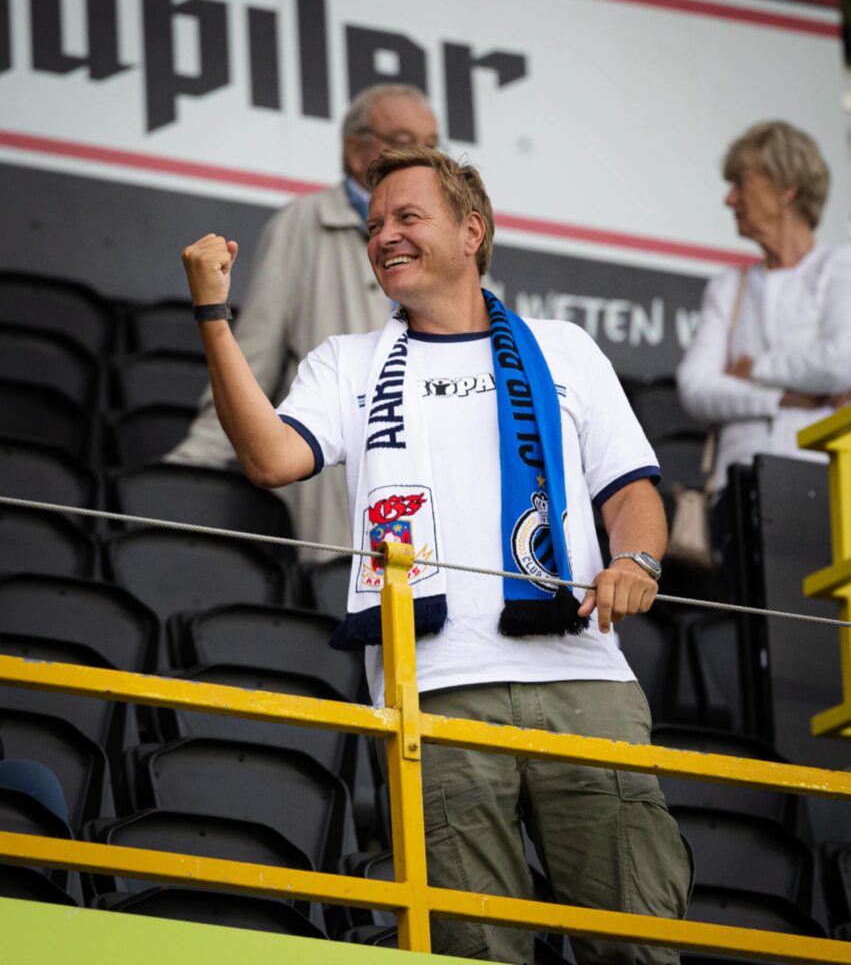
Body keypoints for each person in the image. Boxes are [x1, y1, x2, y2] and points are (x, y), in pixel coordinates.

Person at [180, 147, 692, 964]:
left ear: (471, 232)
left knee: (635, 940)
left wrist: (636, 563)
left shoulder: (564, 348)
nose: (384, 235)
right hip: (434, 694)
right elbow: (272, 457)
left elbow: (630, 492)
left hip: (583, 681)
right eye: (374, 224)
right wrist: (213, 316)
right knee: (472, 948)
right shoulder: (344, 361)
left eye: (407, 217)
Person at [167, 84, 439, 556]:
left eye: (431, 144)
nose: (421, 156)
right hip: (329, 478)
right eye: (402, 138)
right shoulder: (302, 222)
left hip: (429, 475)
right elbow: (253, 355)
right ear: (356, 150)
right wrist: (193, 465)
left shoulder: (452, 238)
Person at [676, 120, 851, 571]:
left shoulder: (839, 267)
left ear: (786, 188)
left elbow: (842, 363)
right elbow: (695, 387)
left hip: (828, 480)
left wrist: (755, 367)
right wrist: (785, 398)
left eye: (741, 184)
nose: (729, 199)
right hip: (738, 488)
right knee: (757, 637)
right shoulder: (728, 286)